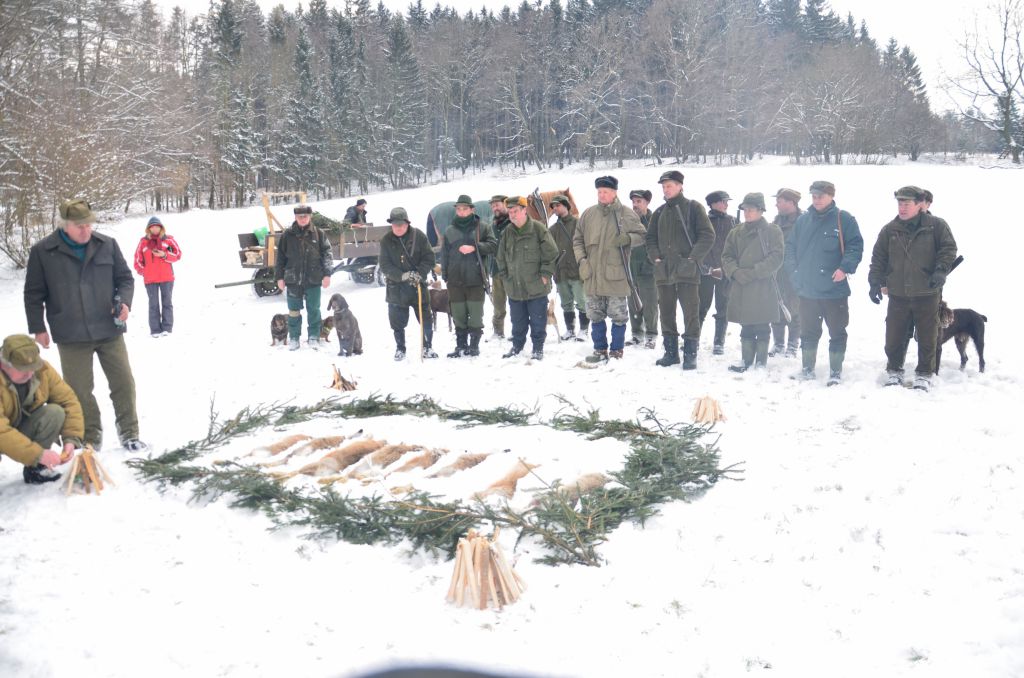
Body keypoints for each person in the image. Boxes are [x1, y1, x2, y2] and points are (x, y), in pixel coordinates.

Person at [24, 198, 145, 452]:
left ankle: (129, 432)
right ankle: (90, 436)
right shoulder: (43, 251)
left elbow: (125, 279)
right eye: (80, 226)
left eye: (89, 225)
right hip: (70, 333)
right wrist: (38, 327)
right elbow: (33, 294)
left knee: (124, 382)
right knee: (79, 390)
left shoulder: (107, 244)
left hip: (108, 328)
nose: (86, 230)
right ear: (64, 225)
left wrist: (124, 303)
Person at [868, 186, 958, 391]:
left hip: (927, 293)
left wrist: (941, 270)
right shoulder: (889, 229)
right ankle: (894, 371)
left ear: (919, 204)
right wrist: (874, 282)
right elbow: (878, 258)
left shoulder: (936, 226)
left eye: (907, 203)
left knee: (927, 337)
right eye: (900, 203)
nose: (902, 207)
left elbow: (948, 249)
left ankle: (924, 374)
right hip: (898, 294)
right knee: (894, 336)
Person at [782, 180, 864, 386]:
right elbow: (790, 248)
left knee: (837, 333)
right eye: (814, 196)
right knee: (808, 332)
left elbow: (855, 246)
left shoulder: (844, 219)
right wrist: (794, 273)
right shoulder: (803, 220)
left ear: (831, 196)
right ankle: (807, 369)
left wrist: (845, 268)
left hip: (834, 290)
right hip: (807, 290)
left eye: (821, 196)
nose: (816, 200)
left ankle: (835, 372)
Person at [645, 170, 715, 370]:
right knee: (666, 313)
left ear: (680, 186)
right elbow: (650, 239)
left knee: (691, 313)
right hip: (664, 271)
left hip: (687, 270)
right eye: (664, 186)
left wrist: (693, 258)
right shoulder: (658, 212)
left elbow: (707, 235)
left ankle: (691, 354)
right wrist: (655, 257)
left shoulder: (694, 208)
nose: (666, 190)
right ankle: (671, 353)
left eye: (669, 186)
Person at [572, 176, 646, 362]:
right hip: (592, 275)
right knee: (595, 315)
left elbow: (643, 235)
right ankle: (599, 349)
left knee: (618, 316)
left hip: (616, 276)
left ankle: (616, 351)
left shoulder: (627, 214)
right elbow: (577, 240)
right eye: (599, 192)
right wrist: (582, 260)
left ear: (614, 193)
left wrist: (628, 239)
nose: (601, 195)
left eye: (605, 191)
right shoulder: (588, 214)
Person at [1, 334, 84, 484]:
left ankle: (36, 469)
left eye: (33, 368)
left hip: (17, 426)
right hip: (3, 432)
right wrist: (37, 454)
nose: (30, 373)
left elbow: (68, 401)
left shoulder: (42, 370)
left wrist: (71, 439)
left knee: (54, 413)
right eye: (23, 369)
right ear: (4, 364)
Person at [720, 194, 785, 372]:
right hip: (740, 285)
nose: (747, 212)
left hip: (762, 285)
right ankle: (746, 360)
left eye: (751, 209)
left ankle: (761, 363)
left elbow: (777, 257)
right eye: (745, 209)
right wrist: (735, 272)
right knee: (746, 324)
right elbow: (726, 256)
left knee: (762, 325)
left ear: (761, 210)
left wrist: (754, 273)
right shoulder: (735, 232)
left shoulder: (772, 231)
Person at [496, 196, 559, 360]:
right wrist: (505, 277)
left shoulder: (538, 229)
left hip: (536, 286)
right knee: (517, 321)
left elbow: (551, 253)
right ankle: (517, 347)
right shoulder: (507, 232)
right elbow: (500, 258)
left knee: (538, 321)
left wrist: (545, 274)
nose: (512, 215)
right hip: (515, 288)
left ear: (524, 210)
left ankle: (538, 348)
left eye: (515, 211)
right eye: (510, 212)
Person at [440, 195, 498, 357]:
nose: (461, 212)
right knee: (458, 314)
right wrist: (445, 275)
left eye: (465, 209)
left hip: (476, 279)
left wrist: (475, 247)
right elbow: (444, 254)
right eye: (459, 209)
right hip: (455, 280)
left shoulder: (483, 227)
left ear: (472, 210)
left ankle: (474, 346)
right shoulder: (450, 230)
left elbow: (493, 245)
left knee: (476, 314)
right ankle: (461, 346)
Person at [378, 207, 437, 360]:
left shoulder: (419, 236)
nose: (398, 228)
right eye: (395, 224)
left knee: (426, 319)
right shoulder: (386, 240)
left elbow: (429, 258)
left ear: (407, 223)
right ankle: (400, 349)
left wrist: (419, 274)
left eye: (401, 224)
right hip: (396, 289)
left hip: (418, 287)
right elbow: (385, 265)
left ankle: (427, 347)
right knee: (397, 322)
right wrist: (402, 276)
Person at [274, 204, 333, 351]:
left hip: (313, 279)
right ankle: (294, 338)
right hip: (293, 280)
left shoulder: (319, 234)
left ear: (310, 216)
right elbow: (280, 258)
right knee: (293, 311)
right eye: (299, 216)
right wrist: (279, 277)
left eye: (305, 216)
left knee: (314, 309)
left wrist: (327, 274)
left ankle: (313, 336)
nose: (302, 219)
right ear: (295, 217)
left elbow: (327, 255)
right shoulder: (287, 235)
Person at [133, 216, 182, 338]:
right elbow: (137, 261)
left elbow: (177, 255)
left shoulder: (168, 241)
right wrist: (145, 272)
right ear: (148, 229)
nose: (155, 229)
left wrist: (164, 255)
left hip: (167, 278)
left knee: (167, 303)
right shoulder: (143, 242)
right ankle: (155, 329)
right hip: (150, 280)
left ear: (161, 228)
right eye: (152, 227)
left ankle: (167, 328)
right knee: (153, 304)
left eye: (157, 227)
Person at [698, 190, 734, 355]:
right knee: (700, 308)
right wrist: (706, 268)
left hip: (725, 273)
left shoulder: (733, 221)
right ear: (713, 204)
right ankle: (694, 339)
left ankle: (719, 343)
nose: (726, 205)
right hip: (705, 273)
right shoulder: (702, 222)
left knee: (723, 309)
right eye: (723, 201)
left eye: (727, 202)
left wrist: (727, 269)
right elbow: (697, 247)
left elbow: (736, 248)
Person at [549, 195, 587, 341]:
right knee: (566, 303)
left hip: (576, 270)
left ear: (566, 206)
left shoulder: (578, 224)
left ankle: (584, 330)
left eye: (558, 205)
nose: (555, 208)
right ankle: (570, 330)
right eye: (553, 206)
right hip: (560, 271)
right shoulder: (552, 229)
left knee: (582, 302)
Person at [770, 188, 802, 357]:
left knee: (795, 308)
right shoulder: (776, 221)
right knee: (776, 306)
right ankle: (778, 344)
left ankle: (792, 345)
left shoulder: (803, 221)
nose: (776, 204)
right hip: (777, 271)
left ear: (791, 202)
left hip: (795, 272)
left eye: (779, 201)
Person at [628, 189, 658, 349]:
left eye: (639, 201)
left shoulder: (655, 220)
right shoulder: (628, 221)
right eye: (633, 201)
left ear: (647, 202)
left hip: (649, 268)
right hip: (631, 268)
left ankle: (651, 334)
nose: (635, 205)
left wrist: (651, 262)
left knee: (650, 303)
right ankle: (636, 334)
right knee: (633, 302)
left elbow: (658, 244)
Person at [486, 195, 511, 340]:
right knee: (498, 304)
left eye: (497, 205)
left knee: (518, 303)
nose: (495, 208)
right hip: (496, 271)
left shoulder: (513, 223)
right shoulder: (491, 227)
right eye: (493, 206)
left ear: (505, 205)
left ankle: (518, 331)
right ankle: (498, 331)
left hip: (513, 271)